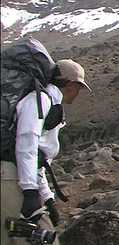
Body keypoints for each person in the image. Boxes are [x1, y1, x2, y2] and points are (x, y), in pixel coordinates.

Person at [1, 59, 91, 245]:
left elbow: (38, 159)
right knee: (40, 238)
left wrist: (47, 197)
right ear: (70, 85)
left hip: (13, 175)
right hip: (11, 178)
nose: (78, 93)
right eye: (79, 88)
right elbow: (28, 143)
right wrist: (30, 192)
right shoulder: (41, 100)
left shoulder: (50, 104)